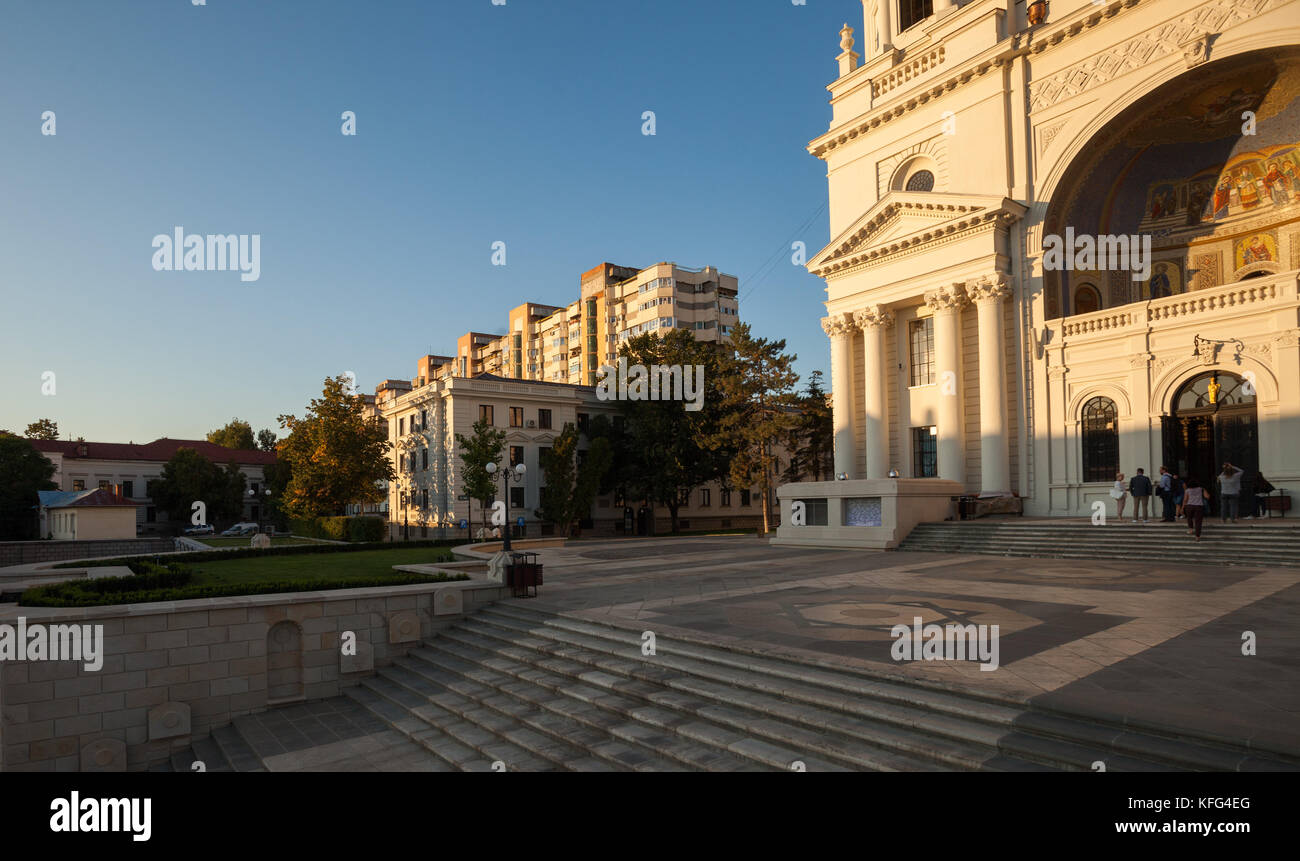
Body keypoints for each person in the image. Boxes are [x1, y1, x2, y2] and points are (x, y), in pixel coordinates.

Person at [1183, 477, 1211, 542]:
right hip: (1198, 506)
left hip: (1189, 506)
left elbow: (1185, 499)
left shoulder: (1187, 490)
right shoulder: (1201, 489)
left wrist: (1183, 507)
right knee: (1198, 522)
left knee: (1189, 518)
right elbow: (1207, 497)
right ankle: (1197, 536)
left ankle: (1190, 529)